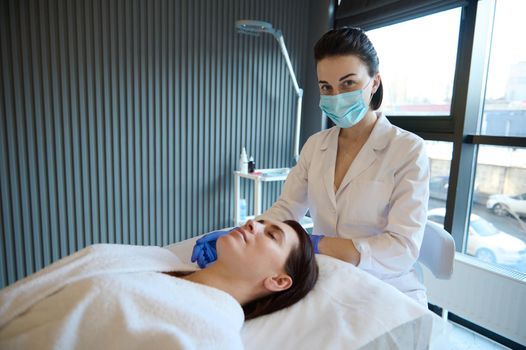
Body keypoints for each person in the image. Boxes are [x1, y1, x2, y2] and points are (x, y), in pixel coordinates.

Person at [193, 27, 429, 305]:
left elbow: (401, 249)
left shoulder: (407, 150)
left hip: (385, 284)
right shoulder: (316, 146)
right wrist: (244, 232)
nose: (336, 96)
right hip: (327, 274)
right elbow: (286, 209)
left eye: (348, 83)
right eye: (326, 87)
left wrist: (317, 244)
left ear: (374, 82)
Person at [0, 219, 318, 349]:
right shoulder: (157, 259)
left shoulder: (213, 333)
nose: (253, 224)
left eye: (271, 234)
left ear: (278, 280)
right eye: (259, 221)